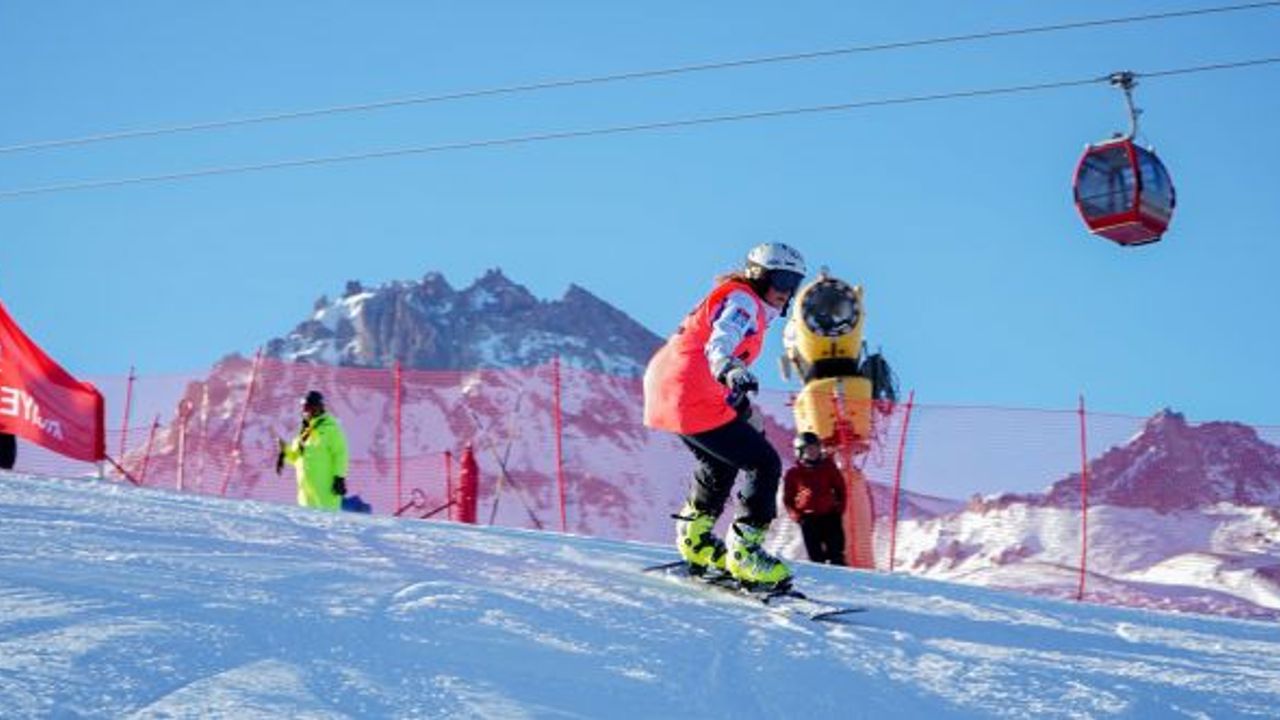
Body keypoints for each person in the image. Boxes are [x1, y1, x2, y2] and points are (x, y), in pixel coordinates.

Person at [643, 242, 806, 588]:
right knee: (763, 463)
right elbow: (722, 340)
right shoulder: (744, 302)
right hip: (692, 392)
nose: (785, 291)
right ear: (758, 276)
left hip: (668, 388)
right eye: (779, 279)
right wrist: (728, 367)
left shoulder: (748, 302)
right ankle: (745, 553)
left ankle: (696, 540)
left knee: (719, 462)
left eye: (794, 283)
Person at [276, 390, 348, 511]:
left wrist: (339, 477)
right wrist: (284, 452)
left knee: (326, 522)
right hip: (305, 490)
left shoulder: (330, 428)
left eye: (309, 407)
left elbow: (340, 454)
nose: (306, 411)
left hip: (324, 489)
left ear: (319, 407)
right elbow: (295, 458)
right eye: (304, 407)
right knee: (307, 524)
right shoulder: (305, 431)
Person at [783, 432, 847, 566]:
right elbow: (788, 499)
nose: (813, 452)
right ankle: (823, 582)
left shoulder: (828, 467)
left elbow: (840, 488)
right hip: (809, 519)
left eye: (815, 448)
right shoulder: (793, 473)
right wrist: (798, 517)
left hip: (829, 516)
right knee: (816, 556)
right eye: (808, 449)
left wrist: (839, 509)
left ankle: (843, 579)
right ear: (800, 452)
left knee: (836, 552)